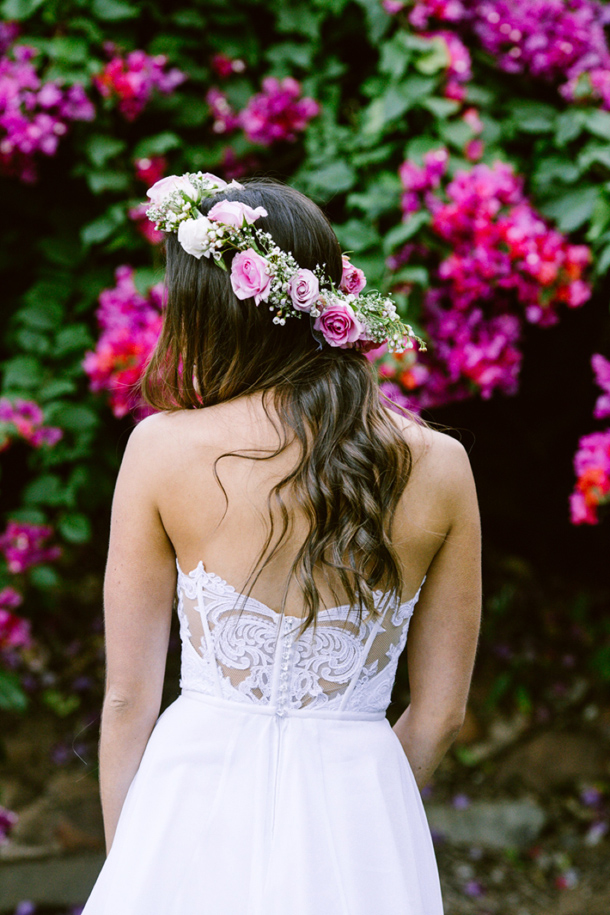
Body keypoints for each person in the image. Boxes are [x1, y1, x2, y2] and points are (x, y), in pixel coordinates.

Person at [81, 174, 481, 914]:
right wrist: (363, 810)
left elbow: (128, 697)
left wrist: (135, 859)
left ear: (215, 313)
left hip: (191, 796)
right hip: (363, 808)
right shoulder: (441, 466)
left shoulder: (161, 451)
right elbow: (441, 712)